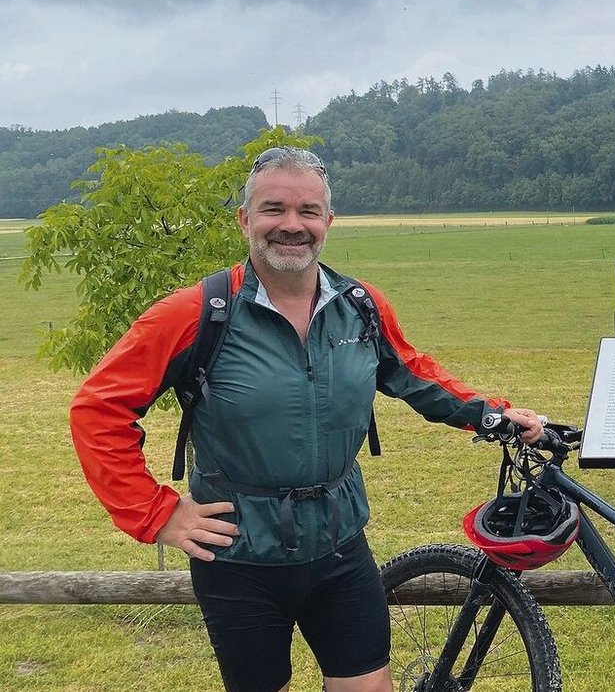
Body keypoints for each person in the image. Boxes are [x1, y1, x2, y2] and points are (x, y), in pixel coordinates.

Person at [69, 147, 544, 692]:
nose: (291, 226)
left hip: (341, 547)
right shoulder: (195, 313)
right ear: (245, 219)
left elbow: (414, 375)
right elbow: (98, 409)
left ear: (328, 222)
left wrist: (495, 417)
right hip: (238, 557)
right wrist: (155, 514)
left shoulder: (361, 306)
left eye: (308, 211)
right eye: (274, 209)